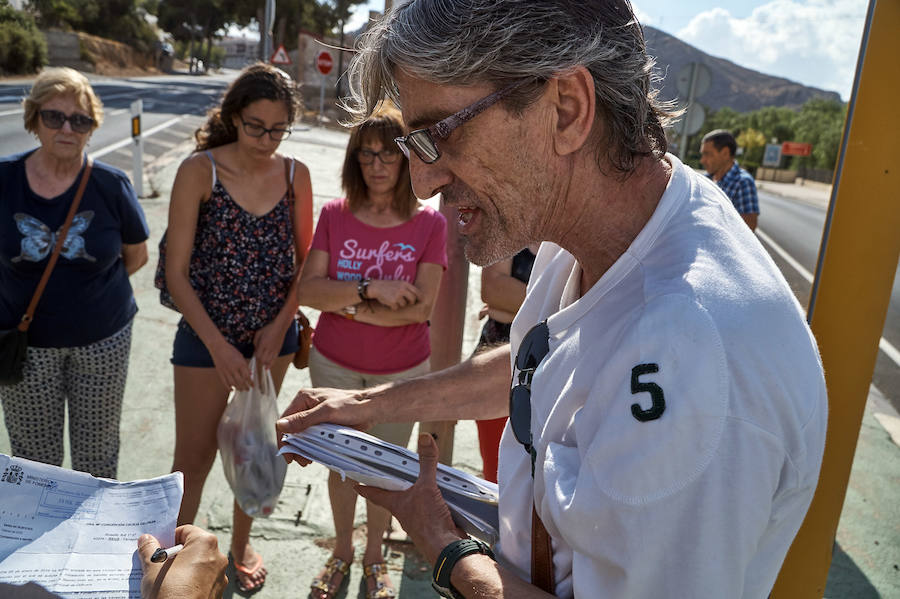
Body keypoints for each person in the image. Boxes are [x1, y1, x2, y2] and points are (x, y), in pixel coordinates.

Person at [277, 1, 828, 598]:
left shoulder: (694, 359)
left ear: (566, 109)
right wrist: (366, 405)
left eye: (437, 135)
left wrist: (444, 548)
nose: (423, 181)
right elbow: (536, 365)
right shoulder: (604, 228)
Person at [163, 62, 313, 594]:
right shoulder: (198, 171)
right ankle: (174, 557)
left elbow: (305, 264)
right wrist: (219, 347)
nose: (265, 141)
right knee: (194, 458)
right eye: (255, 127)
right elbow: (176, 274)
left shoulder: (296, 174)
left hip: (271, 338)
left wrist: (279, 327)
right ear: (233, 117)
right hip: (207, 337)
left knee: (252, 447)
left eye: (278, 129)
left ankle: (238, 546)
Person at [296, 104, 447, 599]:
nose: (377, 164)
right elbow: (309, 293)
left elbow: (420, 309)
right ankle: (342, 550)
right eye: (367, 154)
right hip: (334, 364)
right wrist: (370, 289)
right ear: (354, 160)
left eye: (388, 153)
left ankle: (375, 555)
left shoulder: (429, 226)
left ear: (407, 159)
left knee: (387, 468)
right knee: (341, 464)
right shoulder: (335, 215)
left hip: (400, 372)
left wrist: (347, 305)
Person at [0, 67, 149, 480]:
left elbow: (136, 256)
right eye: (54, 117)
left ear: (91, 126)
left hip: (103, 342)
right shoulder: (4, 179)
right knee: (33, 461)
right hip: (25, 346)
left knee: (97, 455)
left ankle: (95, 543)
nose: (67, 127)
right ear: (34, 120)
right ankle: (41, 544)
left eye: (80, 120)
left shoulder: (110, 185)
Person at [473, 244, 539, 483]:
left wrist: (508, 309)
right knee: (496, 477)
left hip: (551, 369)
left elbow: (578, 303)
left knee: (542, 480)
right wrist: (549, 310)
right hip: (494, 370)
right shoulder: (511, 221)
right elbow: (491, 288)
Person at [699, 129, 760, 231]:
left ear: (725, 153)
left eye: (708, 154)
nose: (702, 160)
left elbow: (748, 229)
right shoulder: (705, 179)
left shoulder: (743, 182)